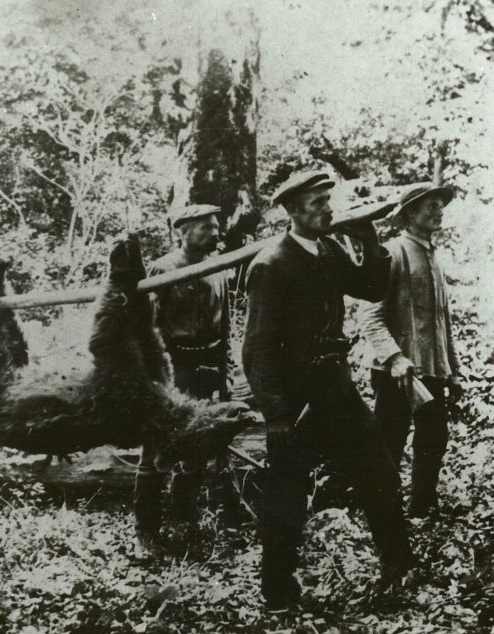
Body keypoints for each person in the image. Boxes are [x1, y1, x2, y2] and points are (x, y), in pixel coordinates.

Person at [243, 170, 415, 610]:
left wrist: (369, 238)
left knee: (379, 473)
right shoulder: (270, 264)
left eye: (327, 200)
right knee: (286, 494)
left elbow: (371, 285)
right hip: (297, 395)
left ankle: (399, 569)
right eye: (316, 202)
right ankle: (278, 593)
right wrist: (277, 415)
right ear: (293, 210)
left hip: (334, 386)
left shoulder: (330, 251)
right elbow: (257, 349)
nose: (326, 208)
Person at [134, 204, 232, 555]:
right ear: (183, 232)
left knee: (198, 446)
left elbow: (226, 326)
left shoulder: (218, 268)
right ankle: (146, 531)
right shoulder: (163, 269)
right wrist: (154, 380)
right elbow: (147, 329)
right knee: (159, 449)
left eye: (216, 226)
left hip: (209, 366)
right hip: (176, 367)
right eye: (206, 228)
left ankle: (184, 522)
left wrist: (226, 373)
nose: (215, 233)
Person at [361, 183, 463, 517]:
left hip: (430, 370)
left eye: (440, 205)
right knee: (389, 441)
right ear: (409, 214)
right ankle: (382, 510)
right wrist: (394, 359)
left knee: (434, 437)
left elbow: (442, 321)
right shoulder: (392, 253)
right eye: (430, 206)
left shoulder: (434, 256)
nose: (438, 211)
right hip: (396, 371)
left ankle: (422, 506)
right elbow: (371, 316)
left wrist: (454, 370)